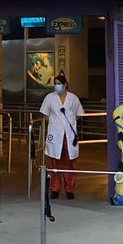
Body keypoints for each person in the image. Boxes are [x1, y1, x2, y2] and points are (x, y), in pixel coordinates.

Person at [40, 72, 84, 200]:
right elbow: (46, 114)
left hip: (69, 135)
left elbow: (78, 114)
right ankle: (55, 189)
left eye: (59, 84)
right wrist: (55, 124)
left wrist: (68, 124)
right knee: (55, 162)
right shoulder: (49, 98)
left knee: (70, 163)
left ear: (65, 85)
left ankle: (69, 189)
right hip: (55, 133)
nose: (57, 86)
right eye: (55, 84)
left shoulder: (73, 98)